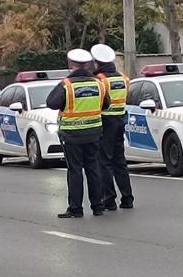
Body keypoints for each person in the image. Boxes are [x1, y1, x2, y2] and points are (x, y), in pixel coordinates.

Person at [46, 49, 110, 218]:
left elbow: (51, 103)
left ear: (71, 64)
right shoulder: (98, 83)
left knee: (75, 171)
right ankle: (97, 206)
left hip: (72, 135)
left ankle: (76, 208)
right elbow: (106, 105)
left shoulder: (66, 84)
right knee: (93, 168)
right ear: (88, 64)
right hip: (94, 133)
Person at [91, 44, 134, 210]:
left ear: (97, 63)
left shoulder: (100, 80)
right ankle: (127, 198)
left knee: (105, 162)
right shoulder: (123, 78)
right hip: (120, 120)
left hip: (105, 122)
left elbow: (100, 102)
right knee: (120, 161)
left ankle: (109, 199)